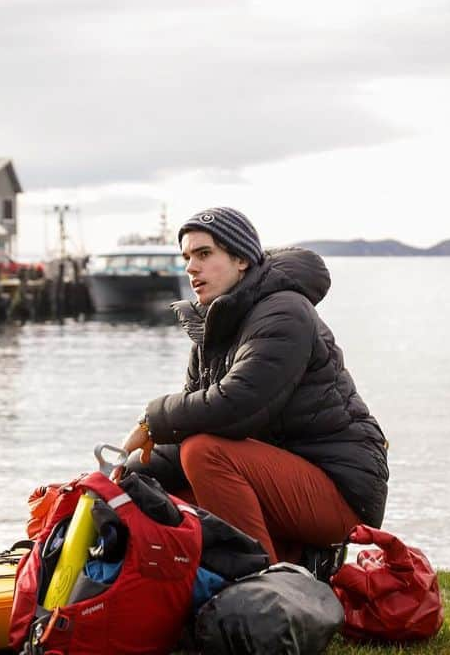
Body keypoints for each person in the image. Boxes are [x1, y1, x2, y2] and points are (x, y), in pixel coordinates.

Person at [120, 206, 389, 567]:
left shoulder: (284, 312)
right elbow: (191, 424)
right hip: (279, 477)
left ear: (242, 259)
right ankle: (291, 564)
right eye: (186, 257)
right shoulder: (212, 329)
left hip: (341, 491)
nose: (191, 268)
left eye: (204, 254)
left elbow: (237, 405)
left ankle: (262, 585)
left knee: (204, 453)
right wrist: (123, 475)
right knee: (154, 491)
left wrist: (151, 419)